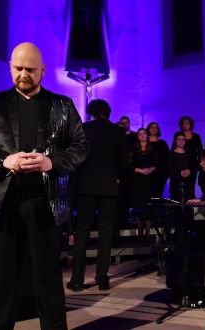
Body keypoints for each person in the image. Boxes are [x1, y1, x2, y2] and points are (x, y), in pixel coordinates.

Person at [0, 42, 89, 330]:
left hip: (46, 203)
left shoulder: (63, 105)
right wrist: (3, 161)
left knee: (48, 280)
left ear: (43, 70)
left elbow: (82, 146)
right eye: (18, 68)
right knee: (2, 281)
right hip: (2, 204)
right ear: (10, 67)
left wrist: (51, 162)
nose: (24, 74)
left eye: (30, 69)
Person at [67, 99, 128, 292]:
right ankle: (102, 278)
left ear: (91, 112)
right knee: (105, 233)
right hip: (109, 186)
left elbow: (76, 159)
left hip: (86, 186)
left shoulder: (83, 129)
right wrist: (117, 179)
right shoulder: (118, 131)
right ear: (108, 113)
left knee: (82, 232)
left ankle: (77, 280)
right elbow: (124, 162)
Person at [128, 128, 157, 241]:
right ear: (138, 136)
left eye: (144, 133)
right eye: (140, 134)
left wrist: (150, 169)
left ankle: (148, 234)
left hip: (149, 181)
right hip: (137, 180)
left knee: (149, 207)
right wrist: (140, 170)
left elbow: (157, 163)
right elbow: (129, 166)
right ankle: (140, 235)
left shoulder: (152, 149)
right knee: (138, 207)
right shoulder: (133, 149)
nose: (142, 135)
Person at [146, 122, 170, 197]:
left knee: (158, 195)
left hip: (160, 173)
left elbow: (167, 157)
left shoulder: (162, 143)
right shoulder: (144, 143)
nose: (153, 129)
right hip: (147, 173)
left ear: (158, 130)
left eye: (155, 127)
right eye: (151, 127)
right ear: (148, 129)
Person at [169, 132, 194, 204]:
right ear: (175, 141)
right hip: (175, 183)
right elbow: (168, 170)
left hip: (188, 182)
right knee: (176, 203)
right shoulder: (171, 154)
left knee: (188, 203)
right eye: (179, 139)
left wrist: (190, 171)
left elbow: (192, 166)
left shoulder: (189, 154)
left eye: (183, 139)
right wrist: (179, 172)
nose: (182, 141)